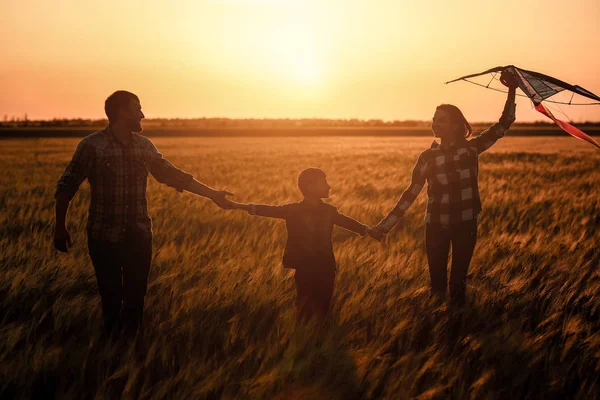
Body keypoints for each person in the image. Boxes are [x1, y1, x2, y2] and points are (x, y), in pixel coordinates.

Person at [53, 90, 234, 335]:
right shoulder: (92, 146)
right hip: (103, 236)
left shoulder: (144, 146)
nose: (143, 114)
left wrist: (213, 194)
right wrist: (59, 227)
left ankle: (131, 347)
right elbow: (67, 185)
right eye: (137, 109)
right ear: (122, 112)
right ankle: (113, 350)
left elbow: (173, 175)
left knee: (136, 298)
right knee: (111, 298)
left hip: (139, 235)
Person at [372, 70, 519, 306]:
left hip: (465, 224)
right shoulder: (427, 157)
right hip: (436, 225)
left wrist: (512, 89)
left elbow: (504, 124)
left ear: (455, 125)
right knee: (437, 284)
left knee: (458, 283)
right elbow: (411, 194)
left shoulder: (471, 149)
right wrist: (384, 227)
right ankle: (438, 327)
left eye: (441, 120)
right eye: (434, 119)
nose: (435, 124)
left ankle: (457, 326)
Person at [230, 168, 383, 322]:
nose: (329, 186)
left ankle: (316, 337)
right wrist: (238, 206)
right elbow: (268, 210)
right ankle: (306, 336)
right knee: (304, 309)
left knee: (322, 309)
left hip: (325, 267)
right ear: (310, 187)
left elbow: (348, 223)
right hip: (306, 267)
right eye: (324, 183)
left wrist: (368, 230)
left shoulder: (328, 211)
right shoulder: (294, 210)